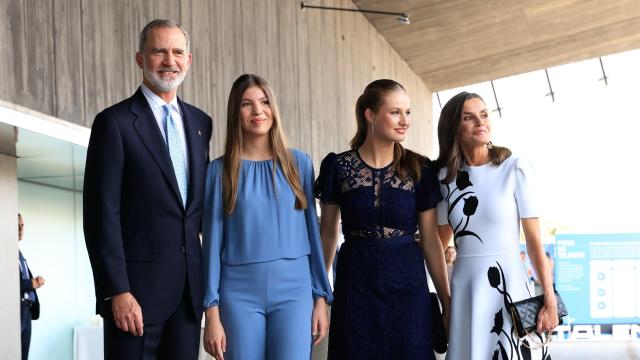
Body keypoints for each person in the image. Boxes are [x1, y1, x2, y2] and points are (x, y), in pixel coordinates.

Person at [83, 19, 212, 360]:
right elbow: (101, 215)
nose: (170, 60)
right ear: (141, 59)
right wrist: (117, 291)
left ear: (189, 60)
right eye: (159, 51)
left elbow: (194, 213)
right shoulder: (114, 123)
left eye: (178, 52)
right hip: (135, 298)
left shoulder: (201, 124)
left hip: (187, 297)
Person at [315, 79, 450, 359]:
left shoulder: (419, 169)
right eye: (395, 112)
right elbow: (327, 235)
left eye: (408, 112)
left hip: (408, 288)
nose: (405, 121)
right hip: (355, 285)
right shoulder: (339, 167)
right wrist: (317, 293)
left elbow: (430, 241)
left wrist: (446, 301)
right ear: (370, 115)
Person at [201, 74, 332, 360]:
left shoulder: (299, 163)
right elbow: (211, 244)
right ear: (236, 112)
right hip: (238, 293)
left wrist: (320, 296)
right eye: (247, 104)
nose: (258, 111)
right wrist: (211, 312)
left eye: (264, 102)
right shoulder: (218, 172)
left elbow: (313, 231)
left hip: (294, 291)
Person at [435, 92, 557, 359]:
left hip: (510, 285)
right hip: (467, 289)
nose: (480, 122)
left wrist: (549, 297)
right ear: (454, 127)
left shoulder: (515, 168)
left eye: (484, 114)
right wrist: (445, 299)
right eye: (469, 117)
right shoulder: (444, 179)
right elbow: (437, 245)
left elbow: (535, 241)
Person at [18, 213, 44, 360]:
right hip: (16, 310)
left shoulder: (19, 253)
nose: (21, 228)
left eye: (22, 225)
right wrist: (32, 283)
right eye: (17, 225)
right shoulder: (5, 252)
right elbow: (8, 283)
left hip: (27, 310)